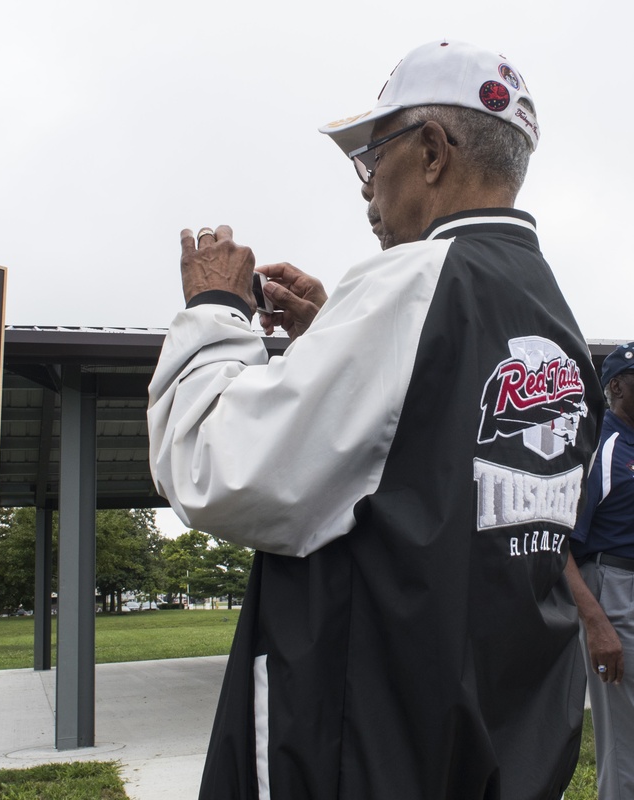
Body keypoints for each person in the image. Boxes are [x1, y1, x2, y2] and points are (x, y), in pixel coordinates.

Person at [147, 40, 603, 799]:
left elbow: (212, 466)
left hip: (373, 753)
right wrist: (331, 336)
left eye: (373, 155)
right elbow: (452, 474)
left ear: (430, 153)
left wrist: (215, 312)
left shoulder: (407, 286)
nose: (366, 189)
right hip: (500, 754)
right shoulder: (551, 315)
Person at [565, 341, 634, 799]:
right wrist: (596, 624)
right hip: (613, 589)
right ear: (616, 386)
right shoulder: (601, 447)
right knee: (624, 746)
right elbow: (559, 547)